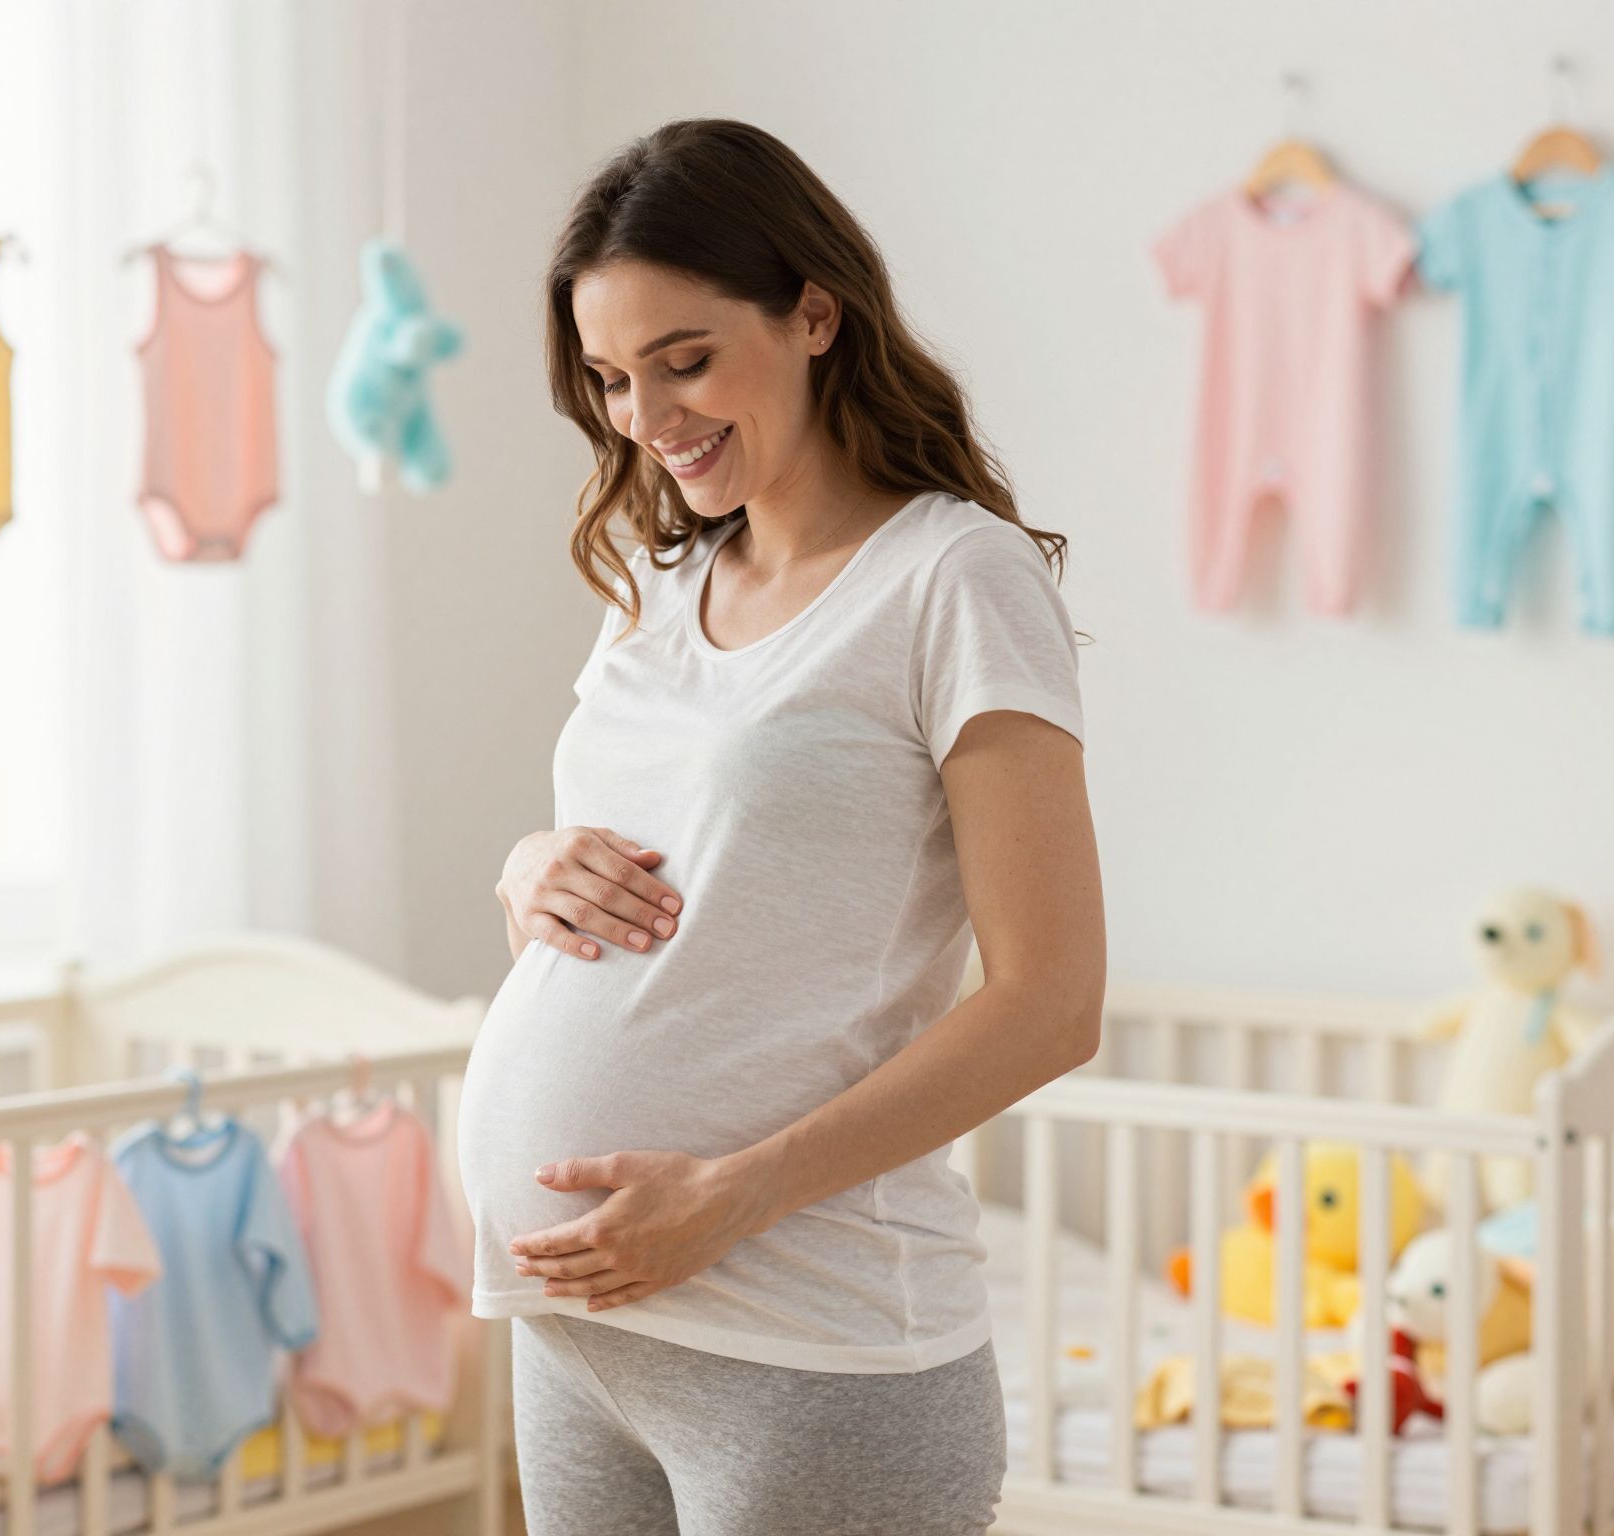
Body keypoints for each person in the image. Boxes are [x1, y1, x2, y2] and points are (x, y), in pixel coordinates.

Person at [459, 117, 1106, 1536]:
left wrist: (729, 1197)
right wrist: (527, 870)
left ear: (816, 312)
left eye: (685, 360)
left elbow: (1052, 1003)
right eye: (613, 379)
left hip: (811, 1344)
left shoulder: (954, 580)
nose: (648, 417)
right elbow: (661, 861)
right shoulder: (655, 576)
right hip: (582, 1338)